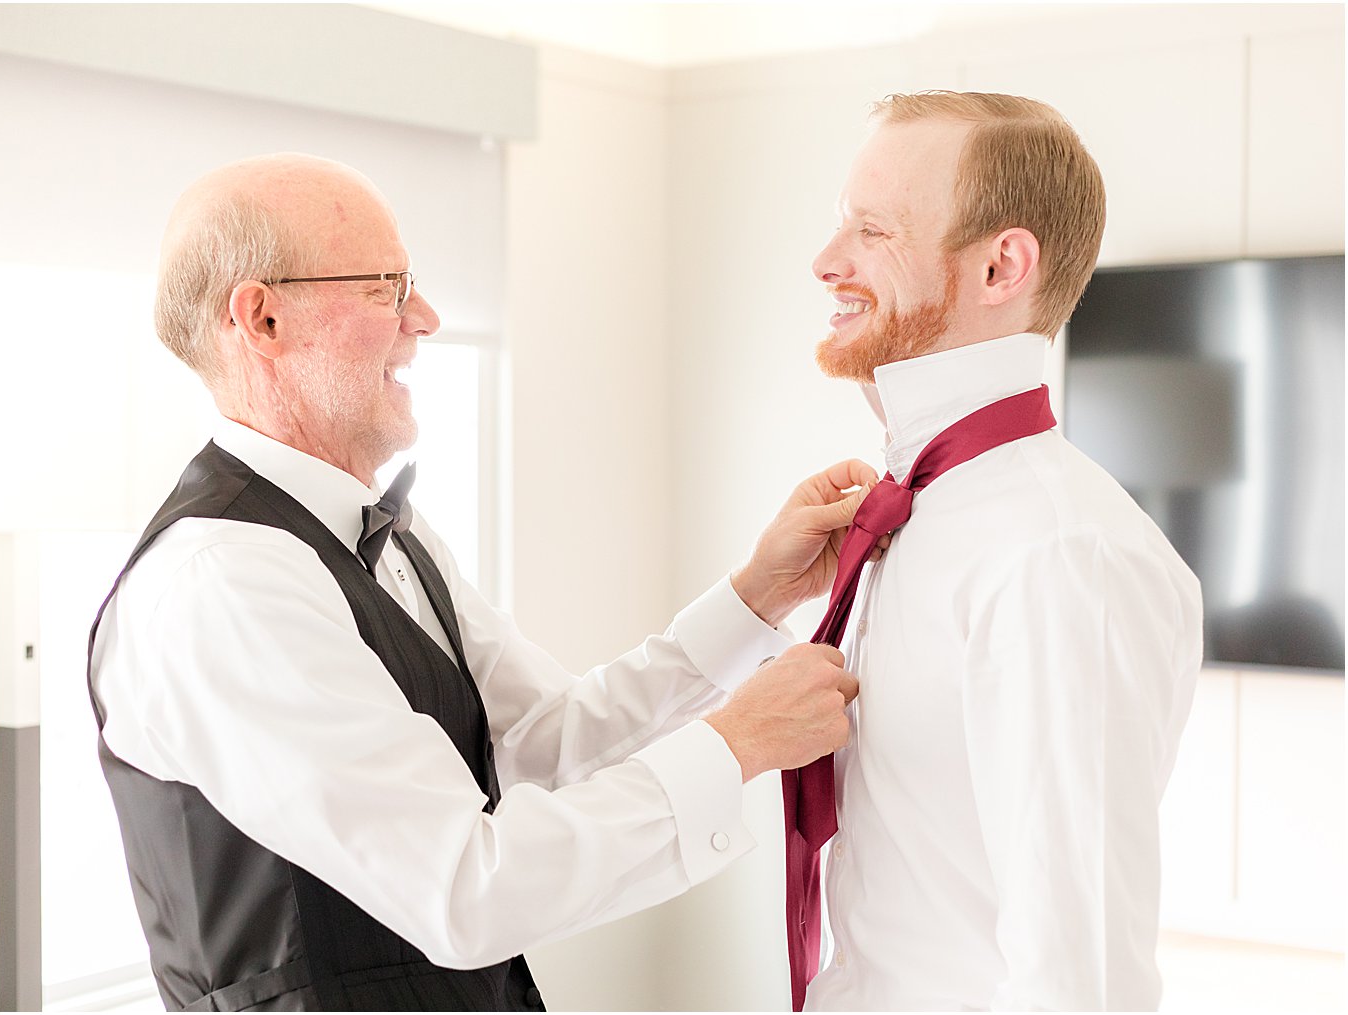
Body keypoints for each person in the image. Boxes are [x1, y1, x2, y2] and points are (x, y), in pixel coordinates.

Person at [87, 152, 873, 1012]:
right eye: (384, 286)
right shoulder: (220, 586)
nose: (423, 316)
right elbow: (466, 888)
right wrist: (739, 743)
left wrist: (757, 598)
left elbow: (548, 744)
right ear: (262, 317)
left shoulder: (385, 535)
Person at [795, 92, 1203, 1011]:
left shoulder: (1061, 555)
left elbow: (1081, 969)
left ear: (1000, 266)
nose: (826, 264)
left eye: (872, 230)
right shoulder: (913, 514)